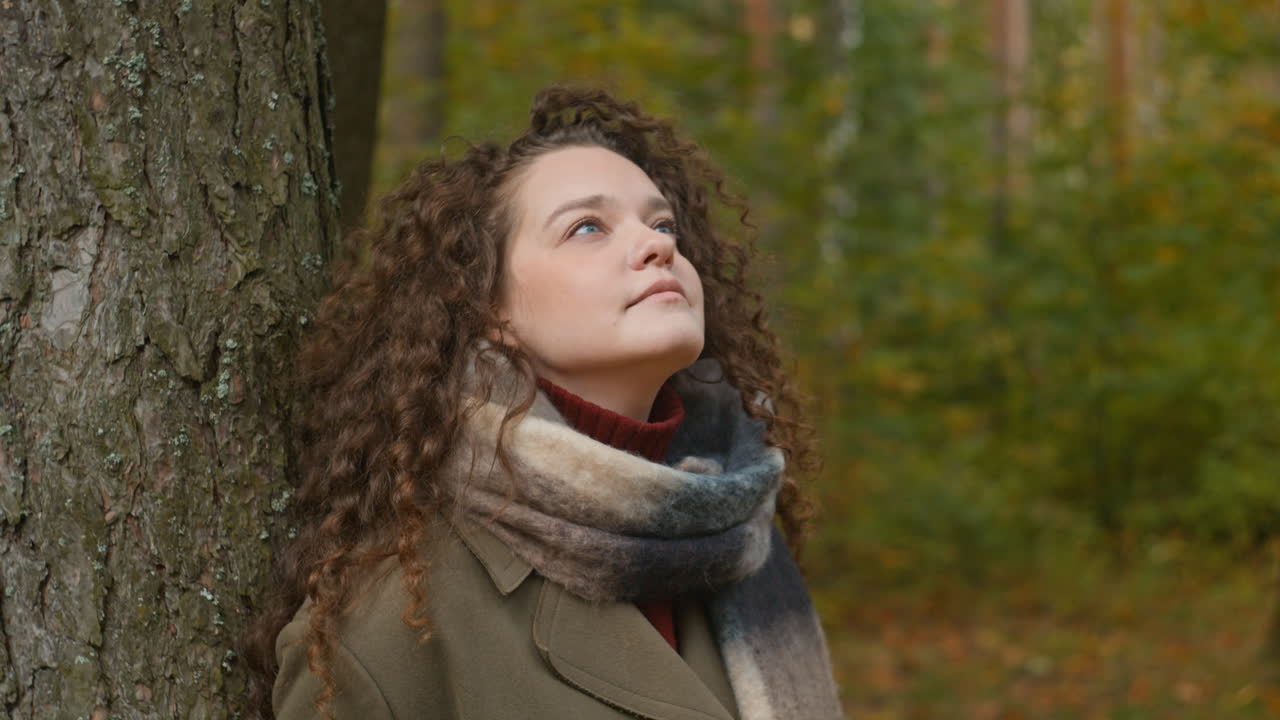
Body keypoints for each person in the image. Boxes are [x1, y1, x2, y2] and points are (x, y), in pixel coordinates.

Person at [243, 84, 844, 720]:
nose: (657, 244)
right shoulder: (396, 623)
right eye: (588, 227)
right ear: (488, 307)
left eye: (663, 224)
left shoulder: (742, 533)